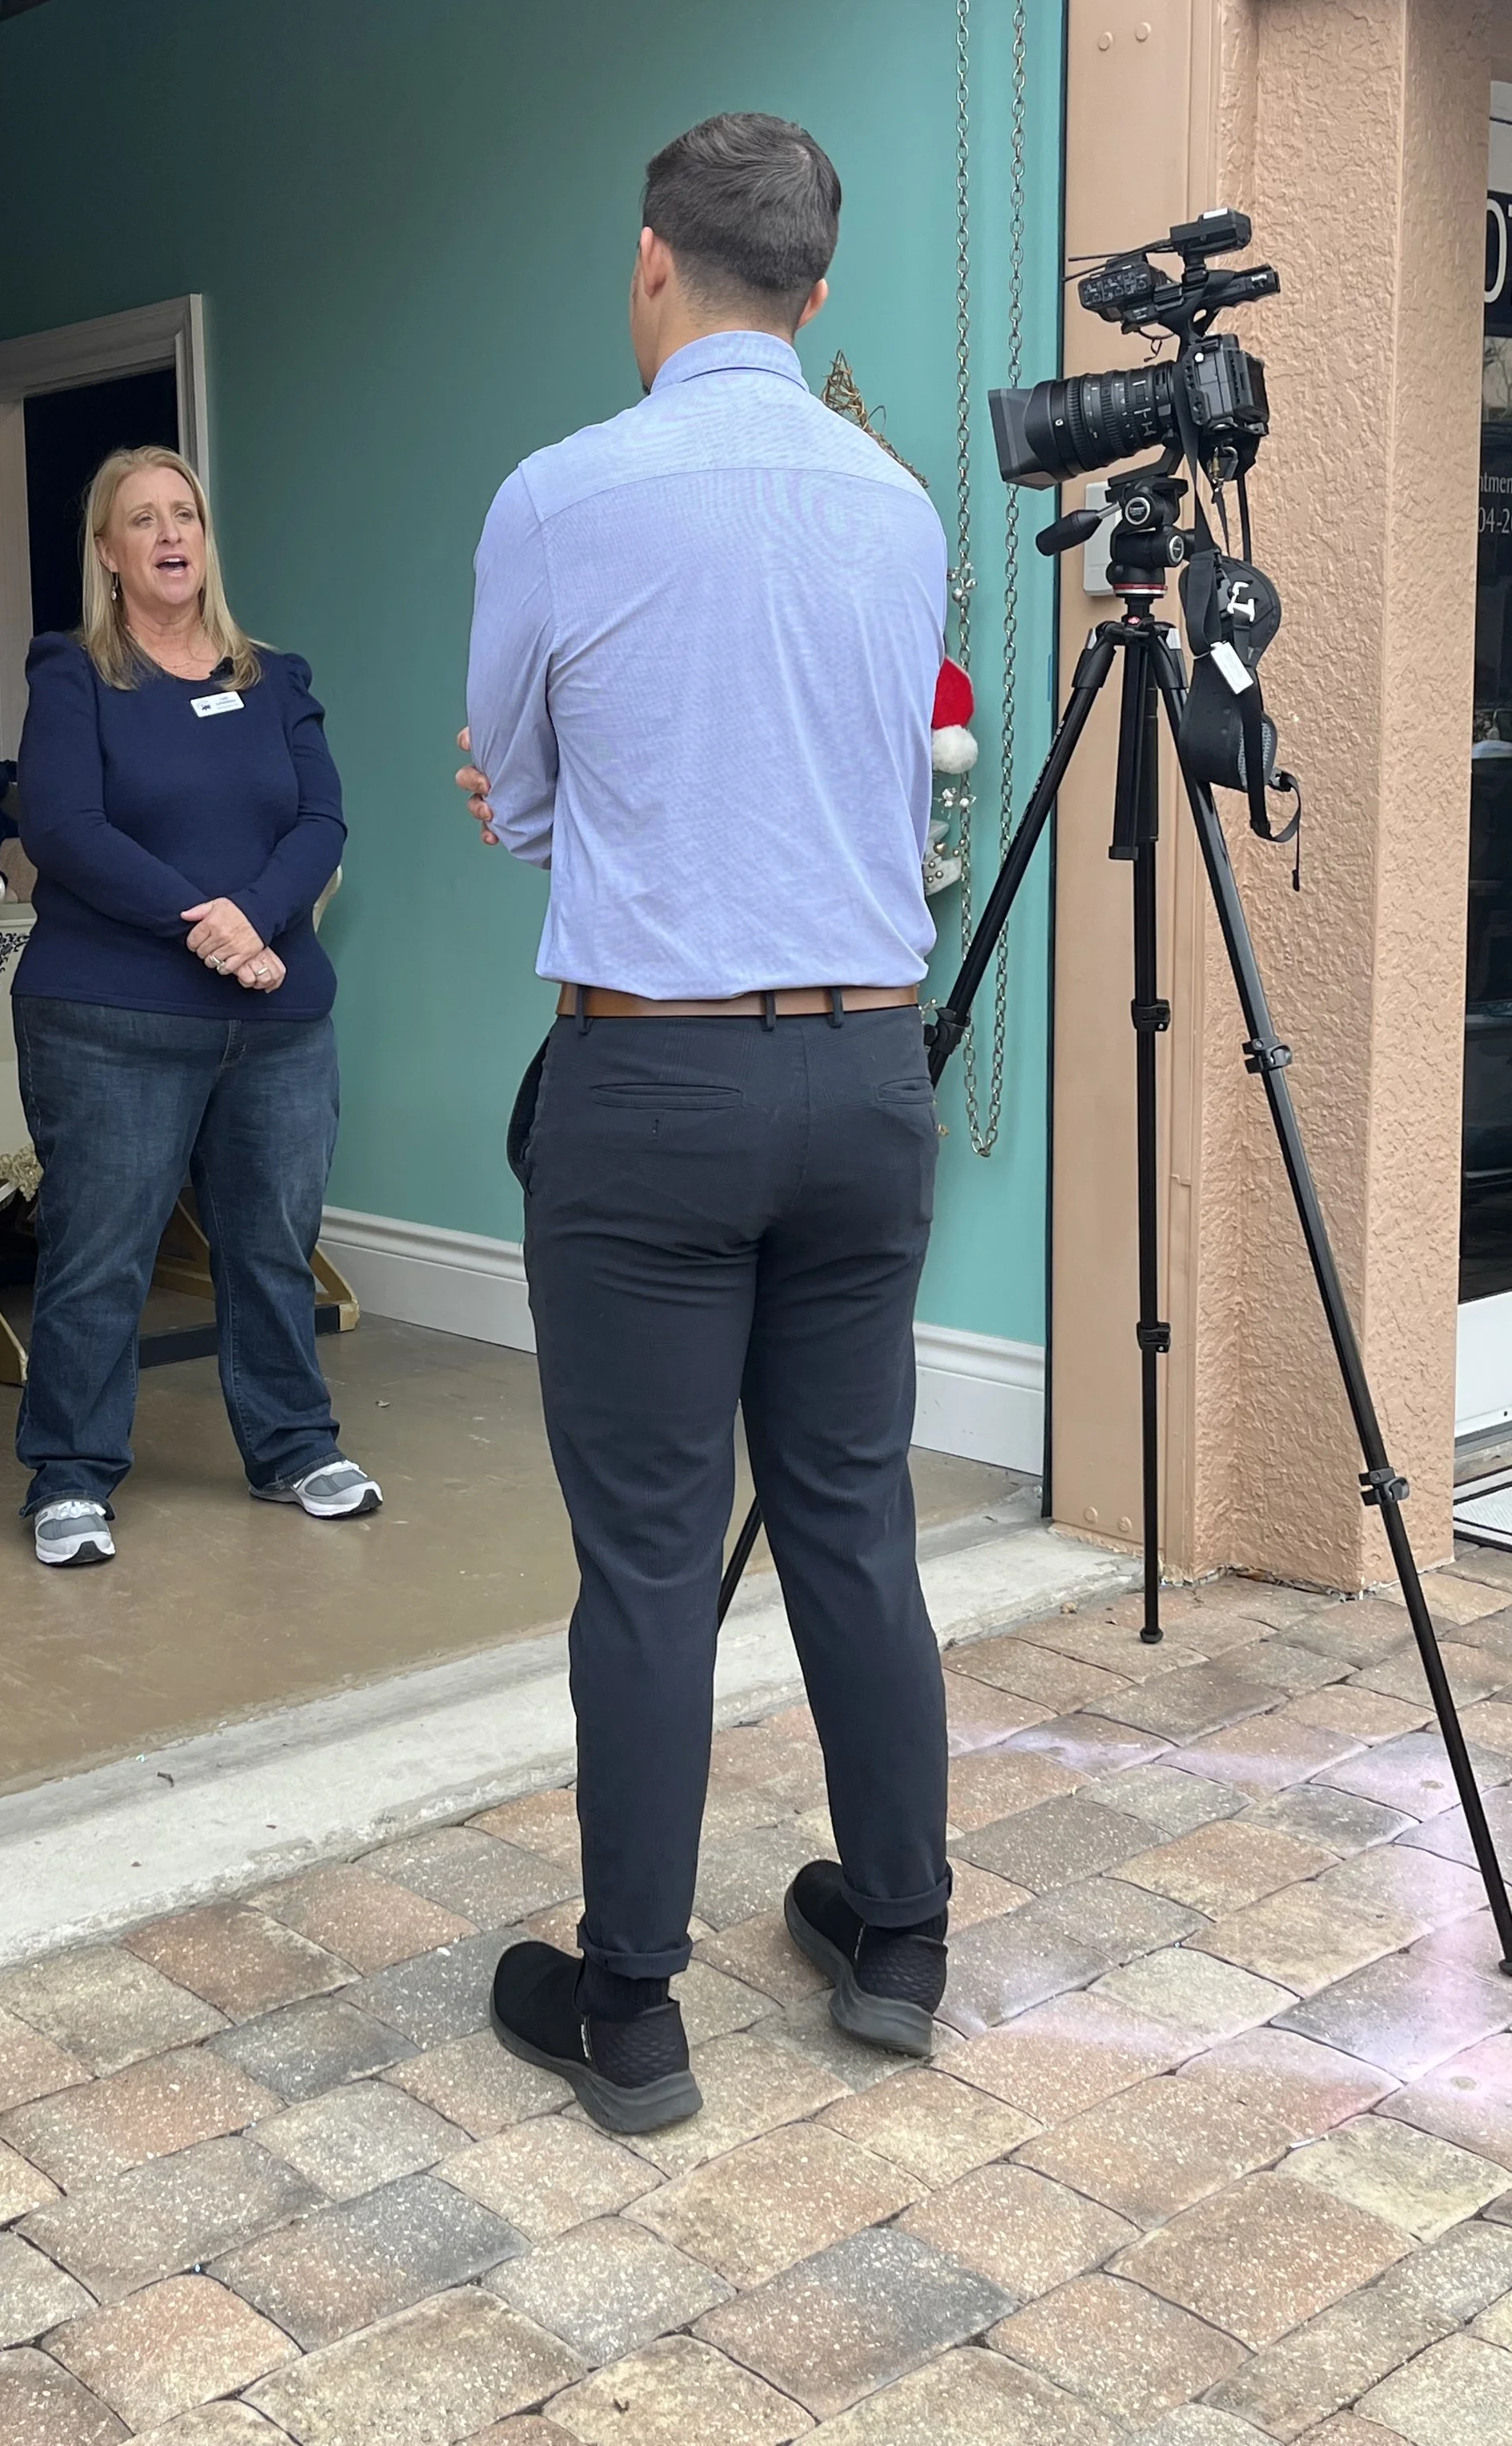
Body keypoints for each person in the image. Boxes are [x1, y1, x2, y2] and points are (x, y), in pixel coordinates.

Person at [460, 113, 950, 2133]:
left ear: (649, 261)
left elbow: (517, 783)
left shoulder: (561, 496)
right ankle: (898, 1935)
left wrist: (568, 818)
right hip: (862, 1070)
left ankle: (632, 2006)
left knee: (652, 1559)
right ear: (813, 288)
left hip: (650, 1076)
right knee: (849, 1512)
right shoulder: (892, 502)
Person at [13, 445, 380, 1567]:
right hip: (112, 1025)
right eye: (143, 520)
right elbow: (64, 829)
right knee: (100, 1252)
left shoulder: (276, 678)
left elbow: (321, 821)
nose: (171, 535)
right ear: (108, 552)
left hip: (276, 1025)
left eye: (187, 516)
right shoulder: (74, 675)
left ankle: (291, 1447)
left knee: (273, 1244)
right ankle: (69, 1475)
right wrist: (204, 923)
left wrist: (253, 920)